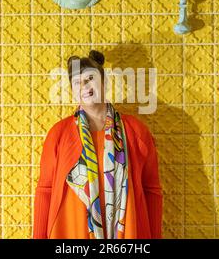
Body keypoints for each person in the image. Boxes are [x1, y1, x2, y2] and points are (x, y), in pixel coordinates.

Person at [33, 50, 162, 239]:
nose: (84, 85)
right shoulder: (58, 134)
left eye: (90, 78)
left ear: (104, 82)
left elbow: (152, 190)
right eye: (77, 82)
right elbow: (45, 190)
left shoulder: (136, 132)